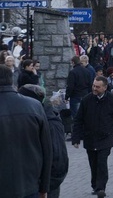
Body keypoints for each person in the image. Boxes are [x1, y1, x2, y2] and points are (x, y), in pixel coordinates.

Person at [0, 65, 53, 198]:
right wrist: (44, 187)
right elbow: (47, 150)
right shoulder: (35, 106)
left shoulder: (34, 106)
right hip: (29, 185)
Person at [72, 75, 113, 198]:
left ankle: (101, 187)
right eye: (93, 86)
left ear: (105, 87)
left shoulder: (112, 100)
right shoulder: (86, 100)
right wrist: (76, 138)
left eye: (97, 87)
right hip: (90, 137)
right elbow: (78, 120)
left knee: (102, 162)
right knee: (93, 162)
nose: (94, 88)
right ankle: (94, 185)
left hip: (106, 136)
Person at [19, 84, 69, 198]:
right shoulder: (38, 118)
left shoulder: (50, 122)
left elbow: (58, 160)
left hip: (46, 187)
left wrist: (46, 186)